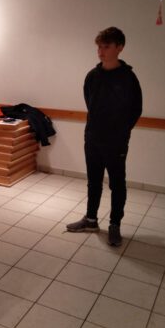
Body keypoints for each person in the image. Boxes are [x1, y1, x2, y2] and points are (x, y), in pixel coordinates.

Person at [66, 27, 142, 246]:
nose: (100, 51)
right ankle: (91, 220)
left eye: (106, 47)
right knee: (93, 181)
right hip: (92, 138)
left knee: (117, 184)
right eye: (99, 47)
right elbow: (90, 103)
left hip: (116, 141)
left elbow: (136, 109)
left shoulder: (128, 78)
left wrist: (121, 131)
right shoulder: (93, 76)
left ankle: (115, 224)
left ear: (120, 47)